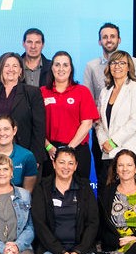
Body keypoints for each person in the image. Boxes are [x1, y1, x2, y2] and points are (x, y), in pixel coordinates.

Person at [0, 52, 46, 169]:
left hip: (24, 155)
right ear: (0, 68)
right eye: (7, 65)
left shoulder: (32, 93)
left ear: (21, 70)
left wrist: (35, 158)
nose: (11, 69)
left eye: (15, 66)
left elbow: (39, 128)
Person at [41, 51, 99, 179]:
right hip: (51, 151)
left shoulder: (82, 91)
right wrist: (48, 146)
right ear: (51, 68)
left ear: (71, 68)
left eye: (65, 65)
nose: (61, 69)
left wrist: (69, 149)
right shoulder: (42, 92)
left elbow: (87, 123)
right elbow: (37, 124)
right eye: (57, 65)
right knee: (49, 191)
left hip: (77, 149)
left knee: (80, 191)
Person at [95, 51, 136, 166]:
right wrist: (104, 143)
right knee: (107, 184)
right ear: (109, 67)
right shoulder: (105, 92)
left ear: (129, 67)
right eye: (113, 63)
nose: (117, 66)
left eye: (122, 63)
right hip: (108, 153)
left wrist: (113, 142)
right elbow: (99, 123)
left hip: (132, 152)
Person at [82, 22, 136, 100]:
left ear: (119, 40)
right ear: (99, 42)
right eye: (105, 37)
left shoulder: (134, 62)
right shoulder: (91, 66)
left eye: (112, 36)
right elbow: (87, 100)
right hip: (100, 111)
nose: (109, 40)